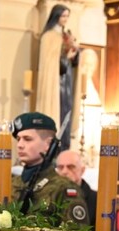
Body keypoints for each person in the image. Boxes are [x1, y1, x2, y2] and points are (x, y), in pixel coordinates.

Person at [11, 111, 90, 226]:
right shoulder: (11, 183)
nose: (20, 145)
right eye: (18, 139)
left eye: (27, 139)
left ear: (48, 144)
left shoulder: (64, 188)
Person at [36, 4, 79, 151]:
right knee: (58, 112)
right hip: (55, 83)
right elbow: (50, 62)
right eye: (63, 16)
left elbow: (72, 60)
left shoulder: (66, 35)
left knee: (66, 111)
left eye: (67, 16)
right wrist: (66, 58)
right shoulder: (49, 37)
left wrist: (75, 53)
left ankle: (65, 147)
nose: (65, 19)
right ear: (56, 16)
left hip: (66, 80)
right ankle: (54, 149)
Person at [55, 149, 97, 224]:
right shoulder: (51, 196)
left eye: (71, 167)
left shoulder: (96, 199)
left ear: (82, 170)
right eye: (61, 167)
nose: (64, 172)